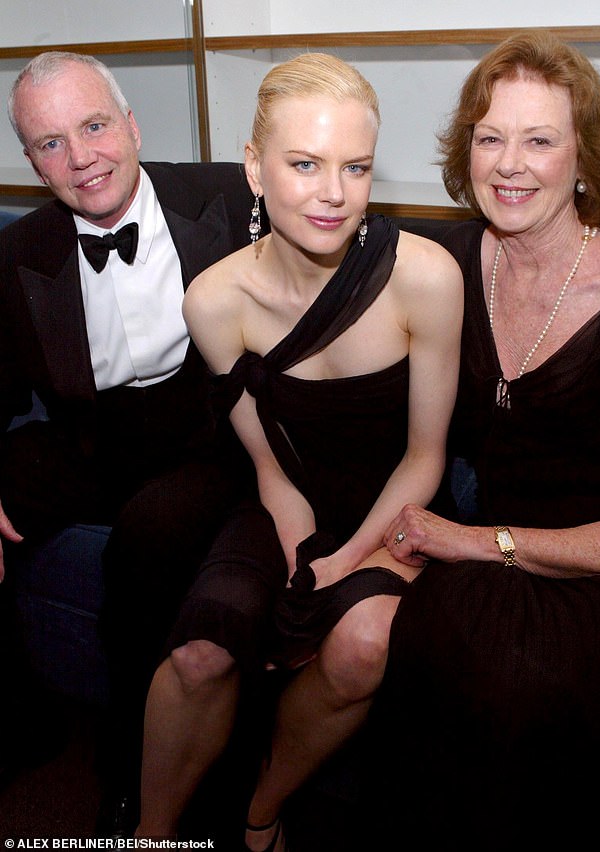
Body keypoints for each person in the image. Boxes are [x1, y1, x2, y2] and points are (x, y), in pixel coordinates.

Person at [134, 52, 462, 845]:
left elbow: (425, 458)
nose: (333, 193)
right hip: (290, 494)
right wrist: (293, 536)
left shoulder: (426, 277)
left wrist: (344, 563)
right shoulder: (213, 301)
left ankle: (261, 809)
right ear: (254, 167)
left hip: (399, 503)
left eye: (355, 167)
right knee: (200, 652)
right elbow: (268, 465)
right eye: (304, 164)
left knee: (359, 645)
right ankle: (148, 833)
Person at [373, 29, 600, 851]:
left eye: (539, 140)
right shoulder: (447, 261)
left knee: (518, 682)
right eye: (491, 137)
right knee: (429, 645)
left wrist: (472, 540)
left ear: (584, 160)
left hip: (592, 572)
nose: (509, 163)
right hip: (472, 553)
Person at [1, 51, 258, 835]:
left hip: (211, 436)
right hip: (92, 437)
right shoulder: (18, 254)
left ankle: (133, 773)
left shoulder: (234, 196)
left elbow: (348, 242)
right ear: (31, 162)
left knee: (149, 538)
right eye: (50, 143)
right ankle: (20, 721)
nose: (80, 159)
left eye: (94, 126)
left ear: (132, 124)